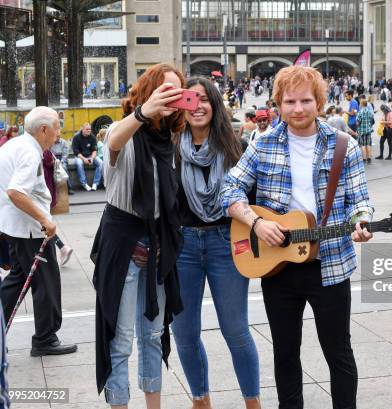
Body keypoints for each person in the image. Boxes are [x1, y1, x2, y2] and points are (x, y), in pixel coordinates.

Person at [221, 66, 373, 409]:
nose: (298, 108)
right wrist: (257, 223)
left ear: (319, 102)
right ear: (278, 103)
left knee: (339, 352)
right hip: (279, 266)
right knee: (285, 352)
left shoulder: (343, 146)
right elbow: (229, 189)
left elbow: (359, 199)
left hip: (330, 264)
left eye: (306, 100)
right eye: (289, 101)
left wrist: (362, 220)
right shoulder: (264, 144)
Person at [91, 63, 186, 408]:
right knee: (120, 339)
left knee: (154, 335)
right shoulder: (124, 131)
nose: (171, 97)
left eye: (177, 91)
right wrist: (144, 113)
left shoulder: (171, 140)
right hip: (123, 245)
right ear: (147, 93)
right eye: (165, 90)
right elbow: (114, 140)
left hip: (158, 246)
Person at [172, 77, 260, 409]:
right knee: (184, 333)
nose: (198, 106)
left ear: (215, 104)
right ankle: (200, 399)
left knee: (236, 331)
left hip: (228, 242)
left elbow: (253, 196)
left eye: (205, 99)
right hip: (183, 248)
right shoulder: (171, 148)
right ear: (182, 106)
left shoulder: (236, 145)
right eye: (190, 100)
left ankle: (252, 401)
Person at [0, 106, 78, 357]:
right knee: (46, 282)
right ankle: (45, 338)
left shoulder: (17, 144)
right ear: (43, 129)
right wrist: (45, 218)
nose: (59, 132)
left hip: (16, 226)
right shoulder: (29, 152)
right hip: (29, 230)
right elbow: (15, 191)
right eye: (56, 127)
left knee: (17, 280)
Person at [72, 122, 103, 191]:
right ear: (82, 129)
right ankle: (84, 183)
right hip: (79, 156)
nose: (89, 130)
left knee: (101, 162)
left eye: (90, 129)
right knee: (79, 163)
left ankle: (95, 183)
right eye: (87, 129)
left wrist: (92, 158)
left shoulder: (92, 137)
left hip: (90, 155)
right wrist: (84, 159)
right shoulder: (76, 137)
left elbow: (94, 150)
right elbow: (76, 152)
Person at [356, 98, 374, 163]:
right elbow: (371, 120)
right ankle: (369, 158)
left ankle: (364, 159)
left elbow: (357, 122)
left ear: (361, 104)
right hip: (368, 130)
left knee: (362, 145)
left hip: (361, 131)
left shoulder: (360, 112)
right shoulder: (369, 111)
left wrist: (357, 126)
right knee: (368, 144)